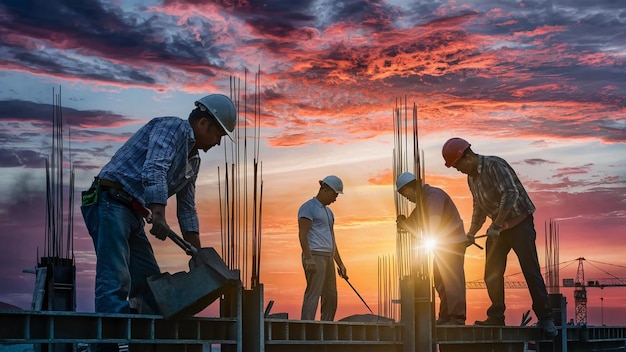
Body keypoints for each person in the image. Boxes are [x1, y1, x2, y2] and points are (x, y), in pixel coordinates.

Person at [80, 94, 236, 351]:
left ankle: (144, 345)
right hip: (109, 201)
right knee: (115, 280)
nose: (218, 143)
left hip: (131, 211)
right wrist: (159, 212)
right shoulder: (171, 127)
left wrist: (198, 254)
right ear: (204, 124)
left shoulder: (193, 161)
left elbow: (186, 208)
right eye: (219, 135)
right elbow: (155, 168)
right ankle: (105, 347)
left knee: (150, 285)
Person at [442, 137, 557, 337]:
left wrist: (496, 224)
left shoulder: (495, 165)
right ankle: (496, 315)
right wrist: (471, 233)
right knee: (491, 273)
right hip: (499, 229)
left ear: (466, 157)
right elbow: (479, 207)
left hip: (519, 223)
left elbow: (510, 194)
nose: (458, 170)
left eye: (457, 166)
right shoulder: (472, 178)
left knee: (530, 271)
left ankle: (546, 318)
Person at [395, 172, 468, 325]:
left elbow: (434, 219)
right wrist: (403, 222)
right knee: (440, 277)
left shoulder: (433, 196)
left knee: (452, 278)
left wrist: (428, 241)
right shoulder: (422, 202)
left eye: (405, 194)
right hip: (443, 245)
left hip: (453, 243)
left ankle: (457, 317)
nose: (406, 198)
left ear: (410, 187)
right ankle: (446, 314)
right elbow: (413, 224)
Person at [298, 175, 348, 321]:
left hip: (328, 257)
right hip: (314, 255)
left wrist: (340, 263)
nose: (336, 198)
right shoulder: (308, 208)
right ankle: (307, 325)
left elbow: (332, 240)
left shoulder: (329, 212)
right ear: (325, 190)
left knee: (331, 296)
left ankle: (326, 326)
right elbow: (302, 235)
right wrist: (309, 258)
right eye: (335, 194)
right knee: (314, 293)